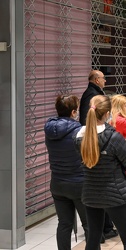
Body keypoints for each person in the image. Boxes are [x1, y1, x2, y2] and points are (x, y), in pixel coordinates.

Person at [74, 95, 126, 250]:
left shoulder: (79, 137)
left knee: (94, 237)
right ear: (107, 113)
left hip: (90, 193)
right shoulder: (114, 137)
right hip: (114, 194)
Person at [44, 95, 88, 250]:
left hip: (57, 183)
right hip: (78, 183)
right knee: (89, 224)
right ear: (73, 112)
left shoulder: (50, 130)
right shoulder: (80, 131)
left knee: (64, 224)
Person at [79, 70, 117, 242]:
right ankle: (103, 229)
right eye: (103, 78)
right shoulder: (91, 96)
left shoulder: (92, 93)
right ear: (96, 79)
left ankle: (104, 229)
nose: (105, 80)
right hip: (96, 145)